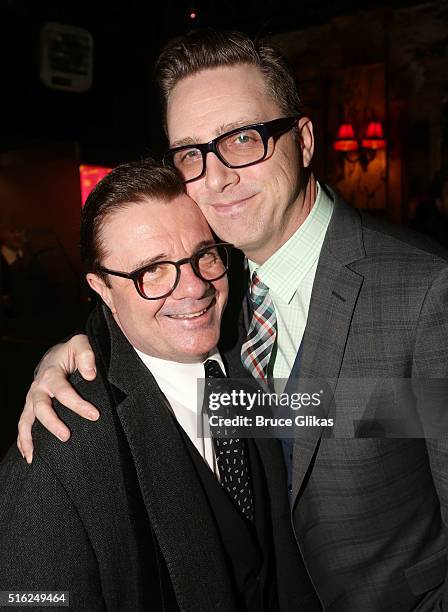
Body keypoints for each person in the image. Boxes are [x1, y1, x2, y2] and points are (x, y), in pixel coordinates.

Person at [18, 29, 448, 611]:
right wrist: (71, 353)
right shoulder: (220, 286)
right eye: (191, 153)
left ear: (302, 139)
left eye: (243, 139)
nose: (216, 178)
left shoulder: (427, 290)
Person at [1, 160, 312, 611]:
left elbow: (379, 410)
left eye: (204, 255)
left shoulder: (250, 367)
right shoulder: (59, 450)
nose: (193, 288)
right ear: (103, 289)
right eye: (153, 271)